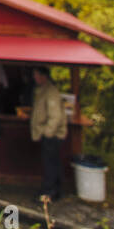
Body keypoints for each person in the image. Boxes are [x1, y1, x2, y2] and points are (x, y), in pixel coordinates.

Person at [30, 67, 67, 201]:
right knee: (54, 163)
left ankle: (48, 193)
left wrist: (47, 133)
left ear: (43, 76)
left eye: (36, 74)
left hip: (53, 135)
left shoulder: (51, 92)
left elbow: (55, 116)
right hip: (50, 134)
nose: (34, 77)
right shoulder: (42, 91)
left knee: (50, 164)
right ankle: (55, 191)